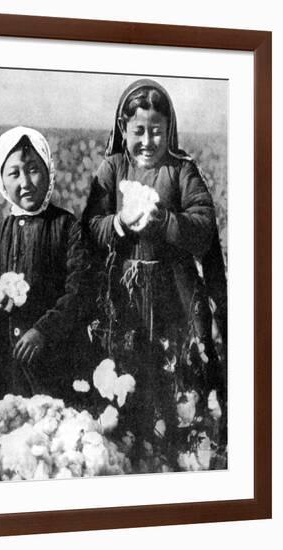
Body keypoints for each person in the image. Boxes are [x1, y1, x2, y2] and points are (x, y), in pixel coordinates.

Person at [82, 79, 227, 471]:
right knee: (125, 376)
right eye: (138, 131)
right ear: (123, 129)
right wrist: (118, 223)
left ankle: (180, 451)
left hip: (173, 295)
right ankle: (131, 452)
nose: (148, 140)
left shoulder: (181, 171)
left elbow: (203, 227)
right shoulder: (111, 169)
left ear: (170, 130)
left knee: (176, 376)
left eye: (157, 131)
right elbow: (89, 226)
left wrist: (164, 220)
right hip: (123, 294)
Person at [0, 126, 93, 406]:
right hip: (10, 369)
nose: (26, 182)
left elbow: (80, 290)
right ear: (1, 180)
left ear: (48, 171)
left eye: (34, 169)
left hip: (58, 365)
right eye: (14, 173)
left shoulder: (66, 226)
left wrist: (44, 331)